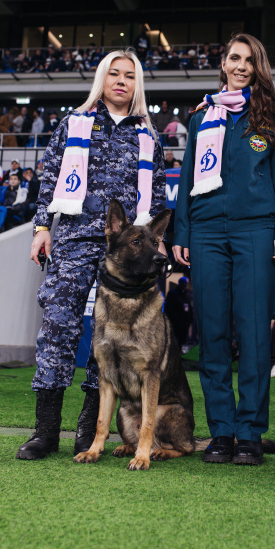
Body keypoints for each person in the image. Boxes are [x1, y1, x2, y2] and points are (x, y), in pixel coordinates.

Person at [16, 49, 166, 461]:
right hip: (76, 239)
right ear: (102, 79)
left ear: (138, 85)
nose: (121, 81)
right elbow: (49, 178)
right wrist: (42, 228)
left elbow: (156, 195)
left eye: (129, 76)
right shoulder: (74, 123)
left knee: (107, 340)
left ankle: (89, 431)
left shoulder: (148, 136)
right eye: (113, 74)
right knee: (58, 329)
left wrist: (156, 245)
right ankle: (45, 433)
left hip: (127, 253)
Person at [173, 33, 275, 466]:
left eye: (250, 60)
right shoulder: (201, 116)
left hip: (256, 232)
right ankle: (221, 432)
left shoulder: (273, 115)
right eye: (234, 58)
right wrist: (181, 233)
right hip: (206, 234)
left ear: (258, 67)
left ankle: (250, 432)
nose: (241, 66)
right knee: (212, 335)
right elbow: (188, 177)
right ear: (223, 63)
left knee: (254, 336)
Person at [164, 276, 194, 350]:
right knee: (175, 338)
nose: (185, 285)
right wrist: (175, 319)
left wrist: (190, 318)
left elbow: (188, 307)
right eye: (184, 283)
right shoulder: (173, 293)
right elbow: (169, 308)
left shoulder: (186, 294)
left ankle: (179, 354)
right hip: (176, 322)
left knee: (182, 339)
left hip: (185, 322)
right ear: (180, 283)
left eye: (186, 283)